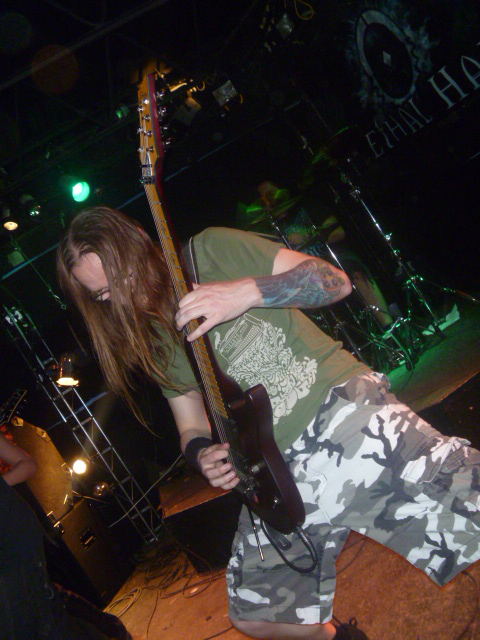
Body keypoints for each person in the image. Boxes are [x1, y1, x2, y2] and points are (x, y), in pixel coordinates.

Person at [57, 205, 480, 640]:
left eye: (122, 277)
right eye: (104, 295)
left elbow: (334, 282)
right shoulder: (153, 342)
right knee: (257, 615)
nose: (122, 298)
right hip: (275, 469)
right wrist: (202, 455)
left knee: (472, 516)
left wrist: (246, 293)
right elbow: (189, 425)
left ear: (139, 246)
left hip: (342, 415)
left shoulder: (208, 252)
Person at [0, 429, 132, 639]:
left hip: (11, 531)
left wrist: (3, 485)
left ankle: (111, 630)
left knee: (31, 614)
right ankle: (112, 630)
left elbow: (27, 464)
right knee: (45, 603)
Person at [241, 180, 394, 330]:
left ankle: (389, 326)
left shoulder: (307, 206)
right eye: (263, 199)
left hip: (329, 260)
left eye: (270, 194)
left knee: (352, 266)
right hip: (300, 274)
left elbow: (338, 231)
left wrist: (308, 235)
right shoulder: (266, 230)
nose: (269, 200)